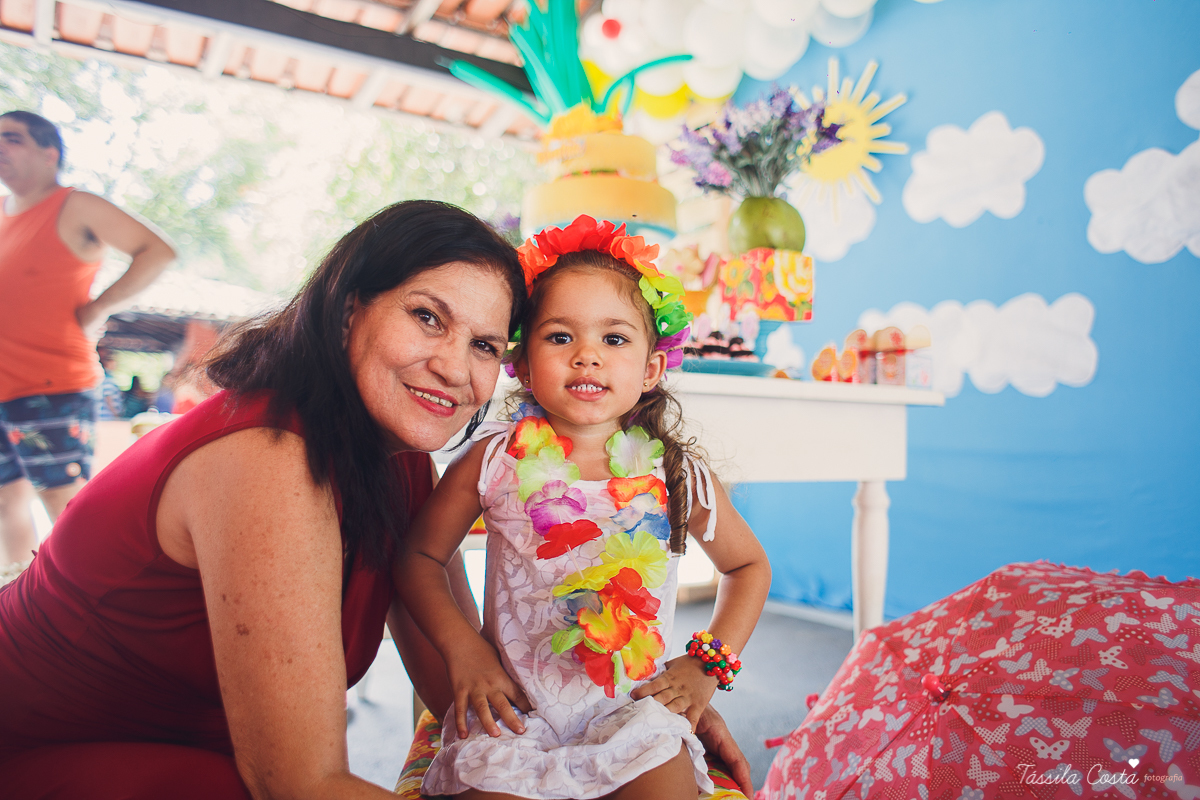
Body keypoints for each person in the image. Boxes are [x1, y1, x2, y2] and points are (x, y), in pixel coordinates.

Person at [0, 201, 750, 800]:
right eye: (428, 317)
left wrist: (633, 719)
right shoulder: (270, 461)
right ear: (350, 306)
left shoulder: (397, 462)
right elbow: (298, 782)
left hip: (201, 748)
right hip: (51, 752)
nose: (453, 366)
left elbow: (455, 677)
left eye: (485, 346)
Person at [397, 215, 772, 800]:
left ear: (652, 368)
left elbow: (748, 567)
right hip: (515, 709)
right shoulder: (493, 460)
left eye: (614, 338)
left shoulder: (678, 476)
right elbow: (418, 555)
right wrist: (464, 649)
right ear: (520, 362)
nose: (587, 357)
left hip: (634, 711)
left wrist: (706, 666)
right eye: (560, 336)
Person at [0, 110, 175, 566]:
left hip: (50, 387)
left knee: (64, 508)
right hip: (2, 390)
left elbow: (157, 251)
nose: (0, 146)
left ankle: (90, 619)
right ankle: (15, 604)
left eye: (11, 138)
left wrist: (99, 307)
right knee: (6, 506)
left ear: (49, 152)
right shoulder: (2, 213)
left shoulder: (74, 205)